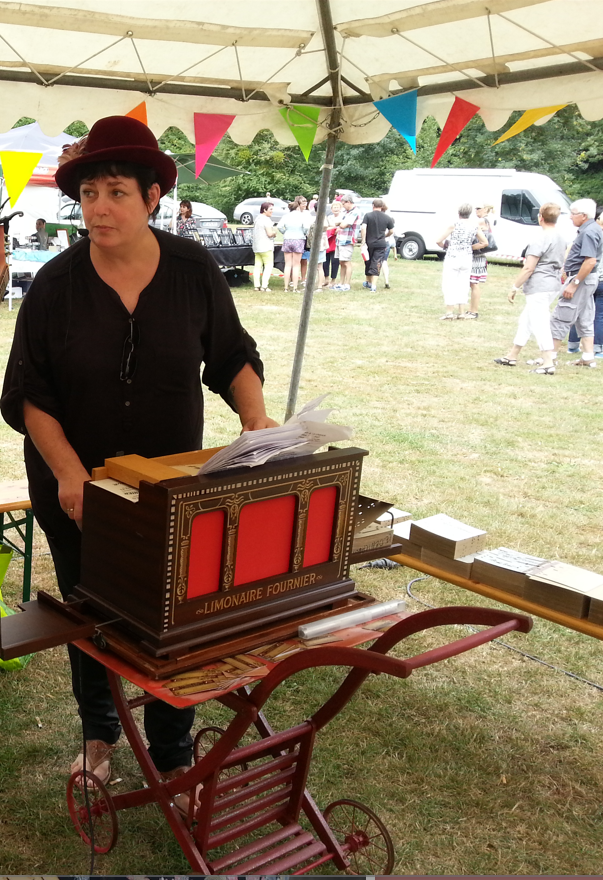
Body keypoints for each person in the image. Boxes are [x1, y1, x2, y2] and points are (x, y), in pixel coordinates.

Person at [0, 115, 278, 813]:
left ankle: (173, 754)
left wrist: (257, 421)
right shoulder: (56, 284)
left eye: (116, 191)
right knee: (90, 612)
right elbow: (29, 394)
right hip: (76, 486)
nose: (98, 207)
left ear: (152, 197)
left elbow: (231, 354)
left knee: (173, 618)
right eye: (89, 192)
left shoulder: (191, 270)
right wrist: (68, 472)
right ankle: (99, 736)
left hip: (170, 486)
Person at [494, 202, 566, 374]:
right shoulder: (561, 237)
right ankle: (512, 355)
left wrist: (515, 286)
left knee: (539, 323)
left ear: (540, 217)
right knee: (526, 319)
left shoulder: (540, 238)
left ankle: (548, 362)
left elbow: (529, 267)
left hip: (540, 285)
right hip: (553, 284)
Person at [549, 198, 603, 367]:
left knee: (562, 315)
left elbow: (590, 261)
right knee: (585, 318)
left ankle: (549, 357)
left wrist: (574, 283)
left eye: (573, 214)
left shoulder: (589, 232)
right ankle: (588, 357)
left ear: (583, 215)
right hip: (586, 280)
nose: (570, 217)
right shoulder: (592, 229)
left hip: (581, 279)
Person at [436, 204, 487, 319]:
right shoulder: (475, 226)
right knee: (463, 284)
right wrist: (470, 247)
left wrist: (446, 246)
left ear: (459, 213)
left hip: (453, 257)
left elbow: (438, 240)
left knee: (449, 283)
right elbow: (484, 242)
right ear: (470, 214)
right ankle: (462, 312)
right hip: (467, 258)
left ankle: (449, 312)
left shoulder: (454, 225)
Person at [566, 205, 603, 358]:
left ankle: (573, 344)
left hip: (589, 276)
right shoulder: (593, 233)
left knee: (578, 310)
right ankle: (597, 348)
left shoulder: (590, 233)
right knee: (598, 314)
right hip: (596, 278)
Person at [277, 195, 311, 292]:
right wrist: (303, 233)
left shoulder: (286, 216)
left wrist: (285, 232)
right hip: (299, 239)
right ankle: (295, 287)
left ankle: (286, 287)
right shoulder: (302, 216)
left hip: (287, 239)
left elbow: (279, 226)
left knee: (288, 264)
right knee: (296, 265)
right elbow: (306, 227)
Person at [360, 198, 394, 292]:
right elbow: (391, 230)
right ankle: (373, 286)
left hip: (369, 243)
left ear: (373, 205)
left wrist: (363, 240)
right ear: (382, 206)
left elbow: (363, 228)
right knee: (377, 262)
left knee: (368, 261)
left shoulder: (368, 215)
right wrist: (385, 235)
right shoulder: (387, 217)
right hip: (381, 243)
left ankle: (368, 282)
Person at [467, 203, 494, 319]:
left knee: (474, 284)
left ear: (485, 209)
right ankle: (472, 310)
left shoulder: (482, 221)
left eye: (478, 208)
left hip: (477, 256)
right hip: (480, 255)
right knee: (473, 283)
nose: (476, 210)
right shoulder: (487, 220)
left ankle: (474, 311)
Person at [333, 196, 361, 292]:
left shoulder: (355, 212)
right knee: (341, 262)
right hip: (340, 239)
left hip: (348, 240)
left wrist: (340, 223)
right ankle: (341, 283)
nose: (343, 206)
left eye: (343, 204)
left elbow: (344, 224)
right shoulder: (346, 212)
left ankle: (347, 284)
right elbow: (338, 222)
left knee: (346, 262)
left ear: (348, 202)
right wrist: (340, 224)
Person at [252, 201, 276, 291]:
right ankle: (264, 286)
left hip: (257, 247)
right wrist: (274, 233)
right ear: (265, 210)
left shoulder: (257, 219)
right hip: (266, 247)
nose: (272, 211)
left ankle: (256, 285)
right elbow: (269, 234)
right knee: (268, 265)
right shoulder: (266, 220)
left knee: (257, 266)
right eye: (270, 209)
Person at [322, 200, 342, 289]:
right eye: (334, 207)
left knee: (335, 261)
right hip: (327, 241)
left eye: (338, 207)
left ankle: (333, 280)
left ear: (341, 209)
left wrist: (333, 227)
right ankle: (326, 279)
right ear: (331, 209)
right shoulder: (329, 217)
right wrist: (334, 226)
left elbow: (341, 227)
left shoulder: (343, 217)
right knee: (325, 261)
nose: (336, 209)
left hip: (337, 242)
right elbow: (326, 227)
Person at [380, 202, 397, 290]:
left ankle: (371, 281)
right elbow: (391, 231)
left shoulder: (377, 217)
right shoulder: (388, 218)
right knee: (384, 261)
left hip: (378, 241)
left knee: (375, 261)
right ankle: (386, 280)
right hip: (386, 243)